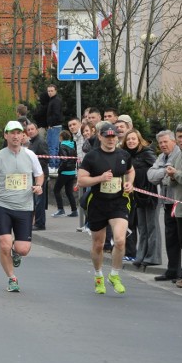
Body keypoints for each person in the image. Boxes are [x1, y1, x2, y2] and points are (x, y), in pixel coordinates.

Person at [0, 121, 44, 292]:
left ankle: (16, 252)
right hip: (3, 206)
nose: (15, 136)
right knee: (4, 244)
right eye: (11, 133)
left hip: (25, 206)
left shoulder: (30, 155)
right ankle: (12, 278)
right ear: (5, 135)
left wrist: (38, 186)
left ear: (23, 136)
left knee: (23, 249)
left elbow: (40, 175)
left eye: (18, 133)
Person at [78, 123, 135, 295]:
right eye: (107, 136)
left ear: (117, 138)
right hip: (98, 203)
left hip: (118, 202)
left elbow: (131, 171)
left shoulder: (124, 155)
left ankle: (115, 275)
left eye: (114, 136)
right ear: (101, 137)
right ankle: (98, 275)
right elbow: (81, 181)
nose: (111, 140)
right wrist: (100, 178)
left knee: (119, 240)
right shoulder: (92, 157)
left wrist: (129, 183)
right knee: (98, 244)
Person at [122, 129, 161, 268]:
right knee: (142, 227)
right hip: (137, 195)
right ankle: (141, 256)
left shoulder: (146, 153)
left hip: (151, 194)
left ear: (139, 140)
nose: (131, 141)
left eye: (133, 139)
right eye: (128, 139)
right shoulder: (126, 155)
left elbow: (157, 169)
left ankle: (153, 257)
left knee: (152, 226)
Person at [148, 130, 182, 282]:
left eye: (165, 142)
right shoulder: (162, 157)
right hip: (167, 203)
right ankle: (172, 270)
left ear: (173, 141)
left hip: (180, 202)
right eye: (160, 142)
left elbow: (172, 176)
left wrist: (169, 173)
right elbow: (151, 176)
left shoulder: (179, 154)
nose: (162, 145)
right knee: (171, 238)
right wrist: (166, 171)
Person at [166, 124, 182, 288]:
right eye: (179, 136)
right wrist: (171, 177)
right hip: (180, 208)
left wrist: (176, 174)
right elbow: (168, 182)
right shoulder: (179, 156)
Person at [25, 122, 49, 230]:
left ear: (36, 130)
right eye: (28, 130)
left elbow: (46, 158)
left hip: (40, 174)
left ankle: (40, 223)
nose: (30, 131)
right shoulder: (32, 142)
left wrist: (34, 164)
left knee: (39, 200)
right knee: (35, 200)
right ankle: (35, 221)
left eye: (32, 129)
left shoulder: (40, 142)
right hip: (33, 174)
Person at [51, 130, 78, 217]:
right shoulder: (73, 145)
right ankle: (74, 210)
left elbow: (64, 159)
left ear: (61, 137)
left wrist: (60, 170)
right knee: (69, 192)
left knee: (56, 190)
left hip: (65, 172)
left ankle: (60, 209)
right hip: (72, 171)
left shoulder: (62, 146)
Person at [46, 84, 63, 170]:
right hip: (54, 126)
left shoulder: (55, 101)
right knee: (54, 146)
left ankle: (53, 166)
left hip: (55, 126)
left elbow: (56, 115)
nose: (50, 92)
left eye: (51, 91)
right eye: (48, 91)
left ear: (55, 91)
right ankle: (55, 165)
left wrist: (50, 124)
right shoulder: (52, 100)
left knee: (52, 146)